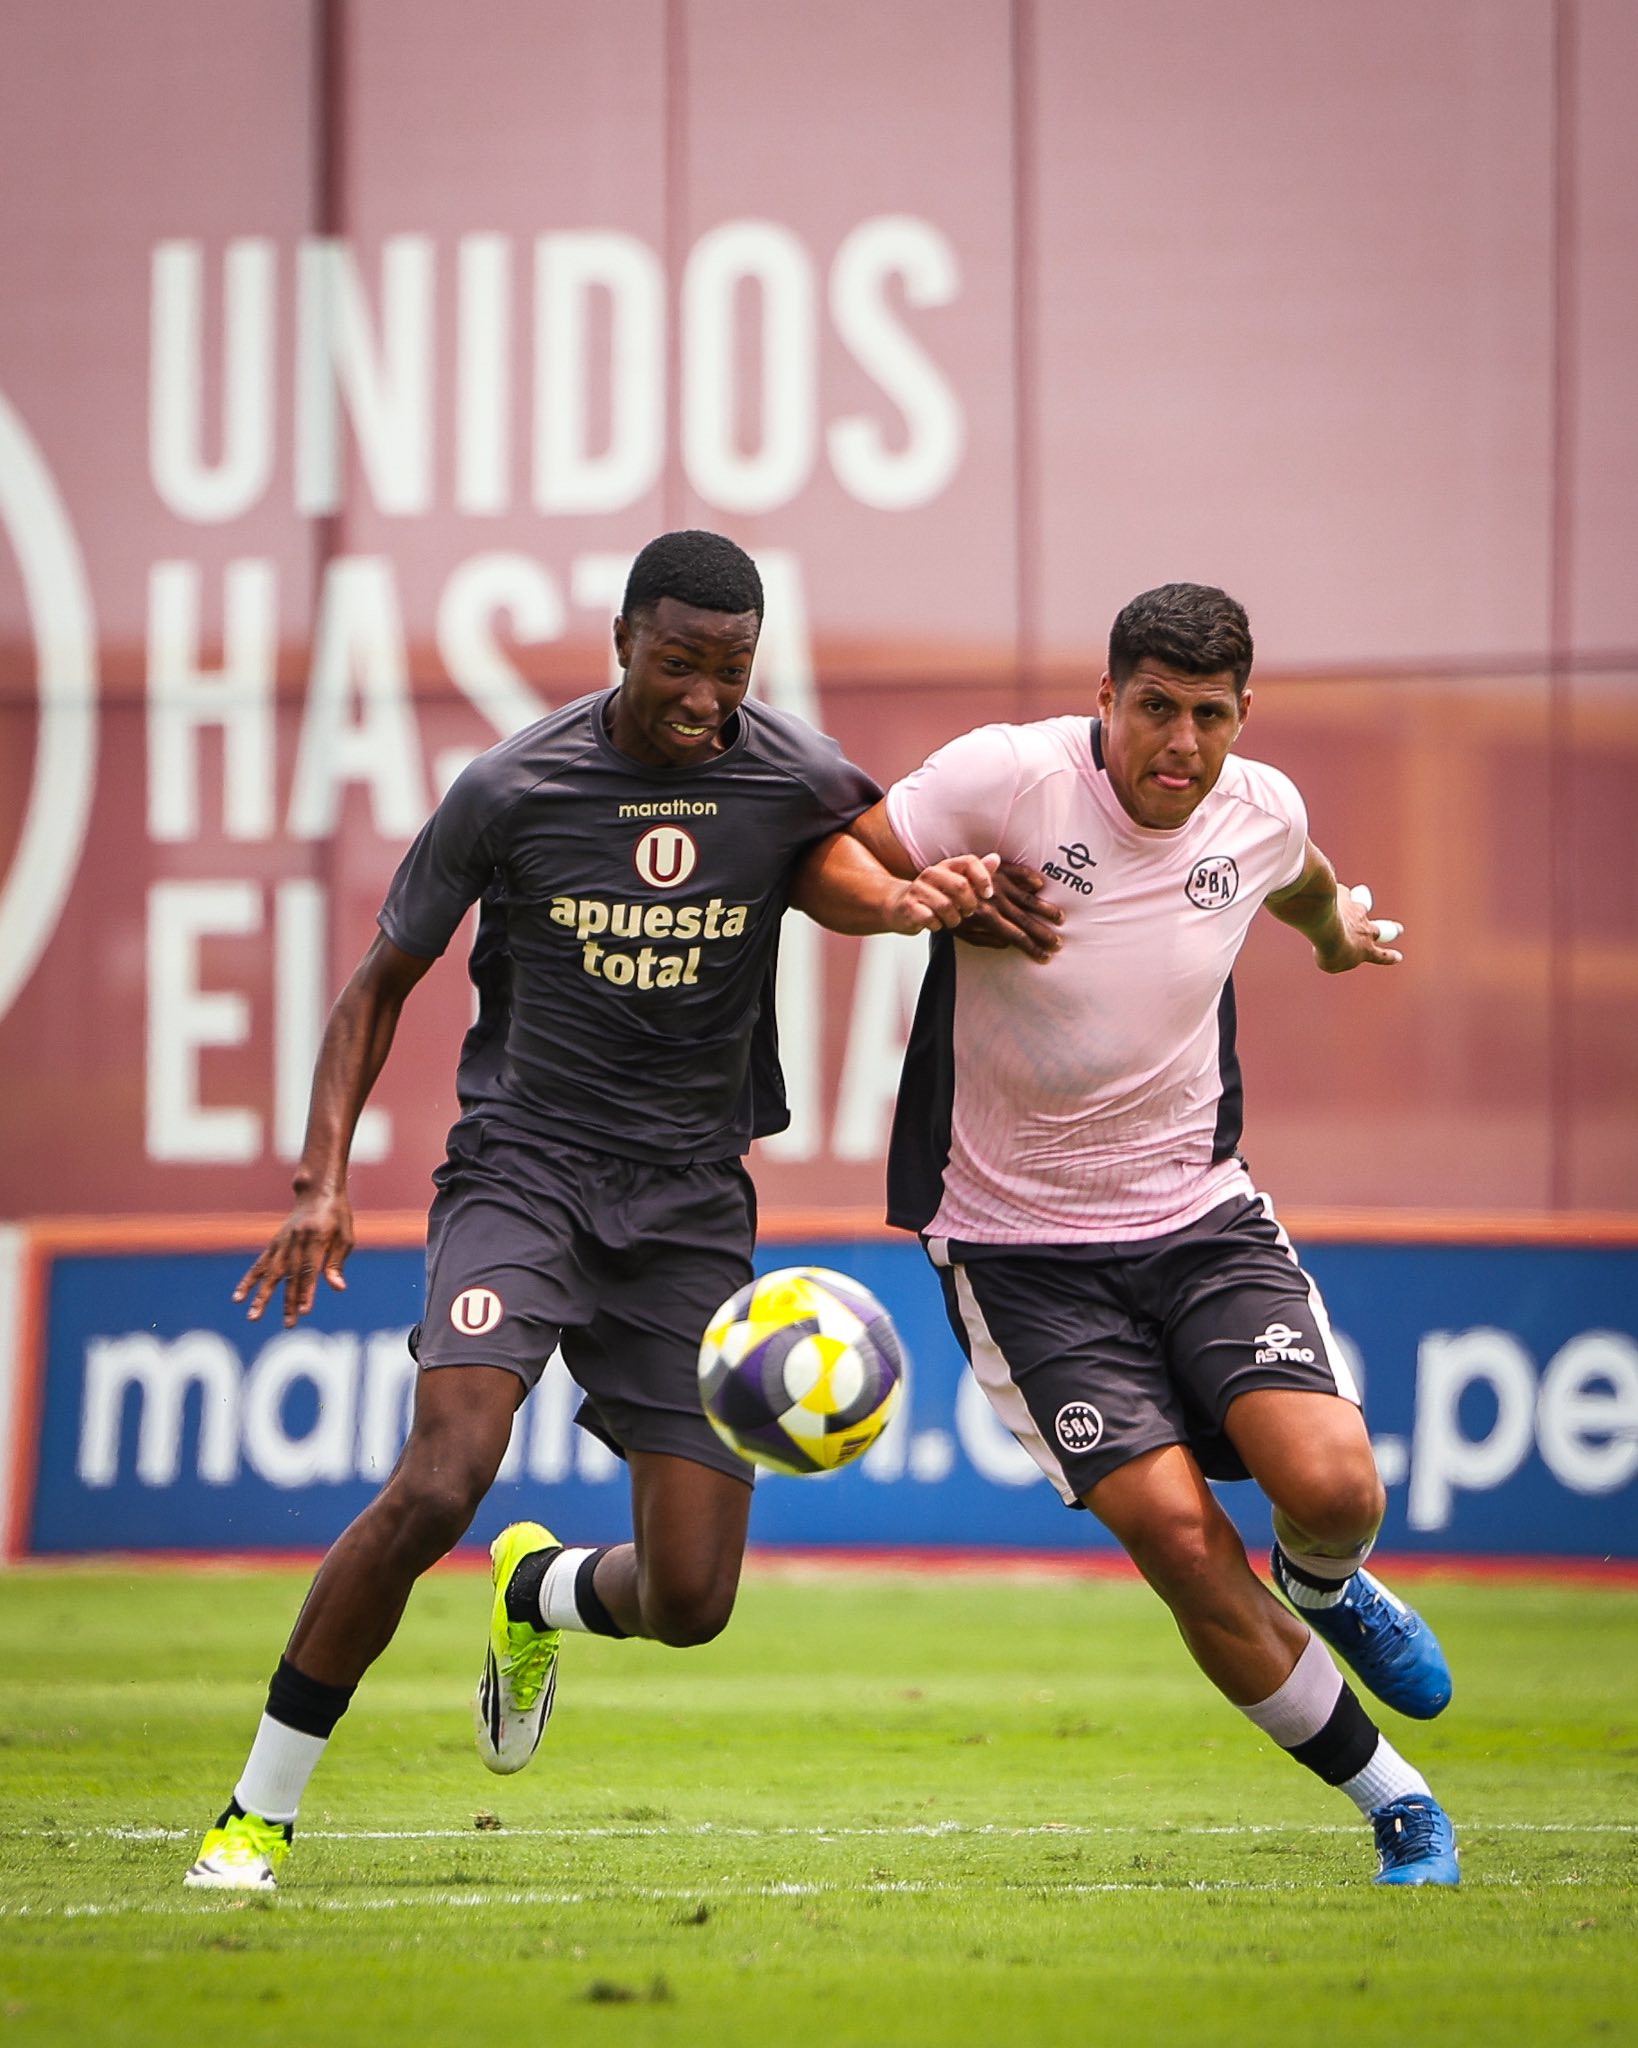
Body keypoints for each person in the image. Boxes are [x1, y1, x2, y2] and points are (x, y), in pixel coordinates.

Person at [185, 530, 1000, 1890]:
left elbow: (861, 867)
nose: (704, 696)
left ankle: (537, 1592)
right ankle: (255, 1814)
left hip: (689, 1205)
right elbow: (377, 987)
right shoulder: (512, 787)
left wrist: (924, 899)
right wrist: (321, 1180)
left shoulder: (790, 768)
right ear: (623, 642)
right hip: (525, 1173)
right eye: (678, 663)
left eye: (731, 669)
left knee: (690, 1602)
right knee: (441, 1479)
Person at [849, 581, 1459, 1887]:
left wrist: (1337, 938)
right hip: (1016, 1254)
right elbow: (834, 856)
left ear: (1242, 715)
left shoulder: (1261, 809)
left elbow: (1299, 882)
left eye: (1209, 717)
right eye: (1155, 710)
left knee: (1336, 1491)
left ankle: (1326, 1586)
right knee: (1182, 1543)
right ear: (1106, 698)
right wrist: (923, 893)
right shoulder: (1005, 779)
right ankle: (1398, 1804)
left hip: (1198, 1218)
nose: (1181, 745)